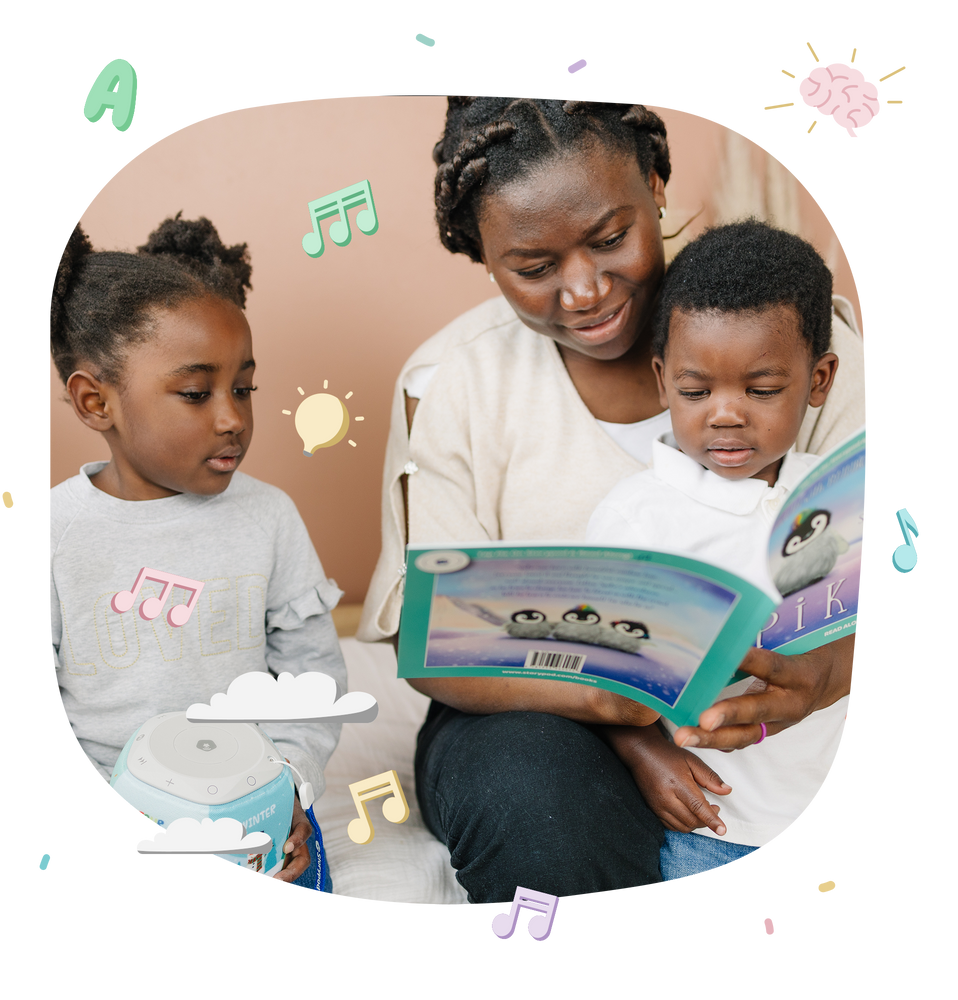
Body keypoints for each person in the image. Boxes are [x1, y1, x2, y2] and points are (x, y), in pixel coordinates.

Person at [358, 96, 865, 905]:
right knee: (537, 805)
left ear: (656, 186)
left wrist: (827, 673)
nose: (586, 289)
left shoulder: (798, 338)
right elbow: (433, 644)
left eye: (610, 238)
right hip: (524, 712)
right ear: (483, 259)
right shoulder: (452, 382)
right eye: (533, 268)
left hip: (777, 725)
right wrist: (625, 728)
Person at [47, 214, 347, 891]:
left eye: (244, 388)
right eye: (195, 392)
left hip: (258, 807)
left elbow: (313, 676)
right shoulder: (57, 536)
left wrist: (291, 787)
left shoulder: (267, 518)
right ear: (96, 402)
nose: (232, 417)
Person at [585, 219, 855, 882]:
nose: (726, 414)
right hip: (716, 821)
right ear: (661, 379)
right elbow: (595, 681)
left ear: (818, 380)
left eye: (762, 391)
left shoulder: (842, 497)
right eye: (696, 391)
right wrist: (642, 750)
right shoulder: (635, 515)